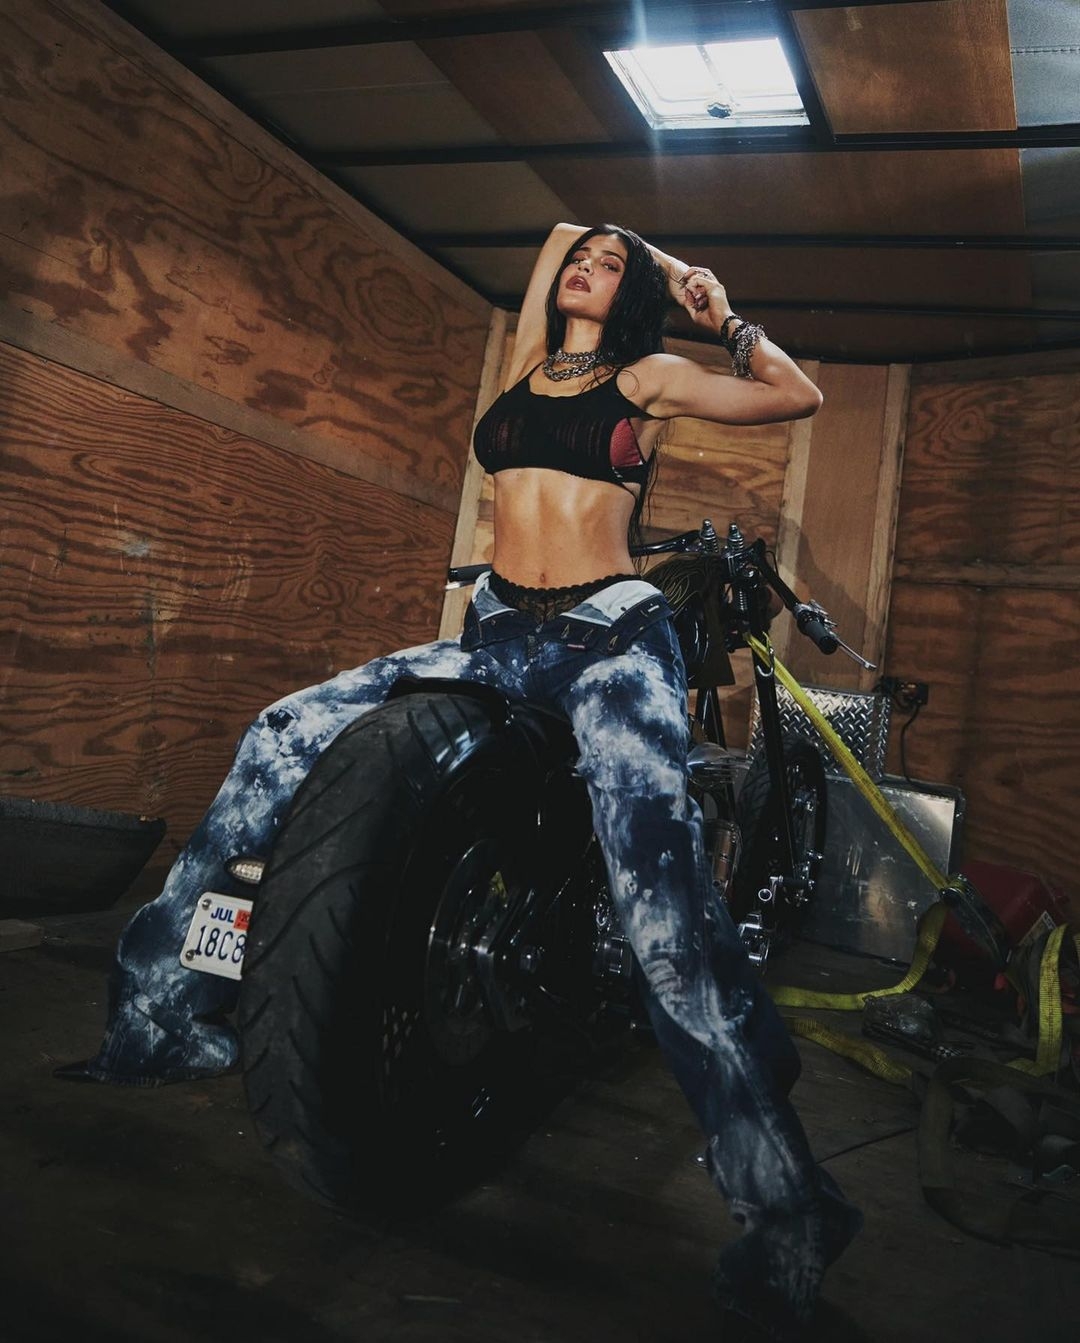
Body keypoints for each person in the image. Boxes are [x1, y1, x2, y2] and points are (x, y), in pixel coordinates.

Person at [59, 222, 859, 1337]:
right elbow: (558, 234)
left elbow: (794, 396)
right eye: (581, 259)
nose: (585, 266)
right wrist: (608, 235)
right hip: (492, 634)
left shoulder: (647, 376)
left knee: (662, 914)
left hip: (605, 638)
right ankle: (158, 1016)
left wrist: (712, 306)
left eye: (608, 266)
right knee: (279, 732)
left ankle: (789, 1208)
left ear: (633, 298)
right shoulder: (530, 362)